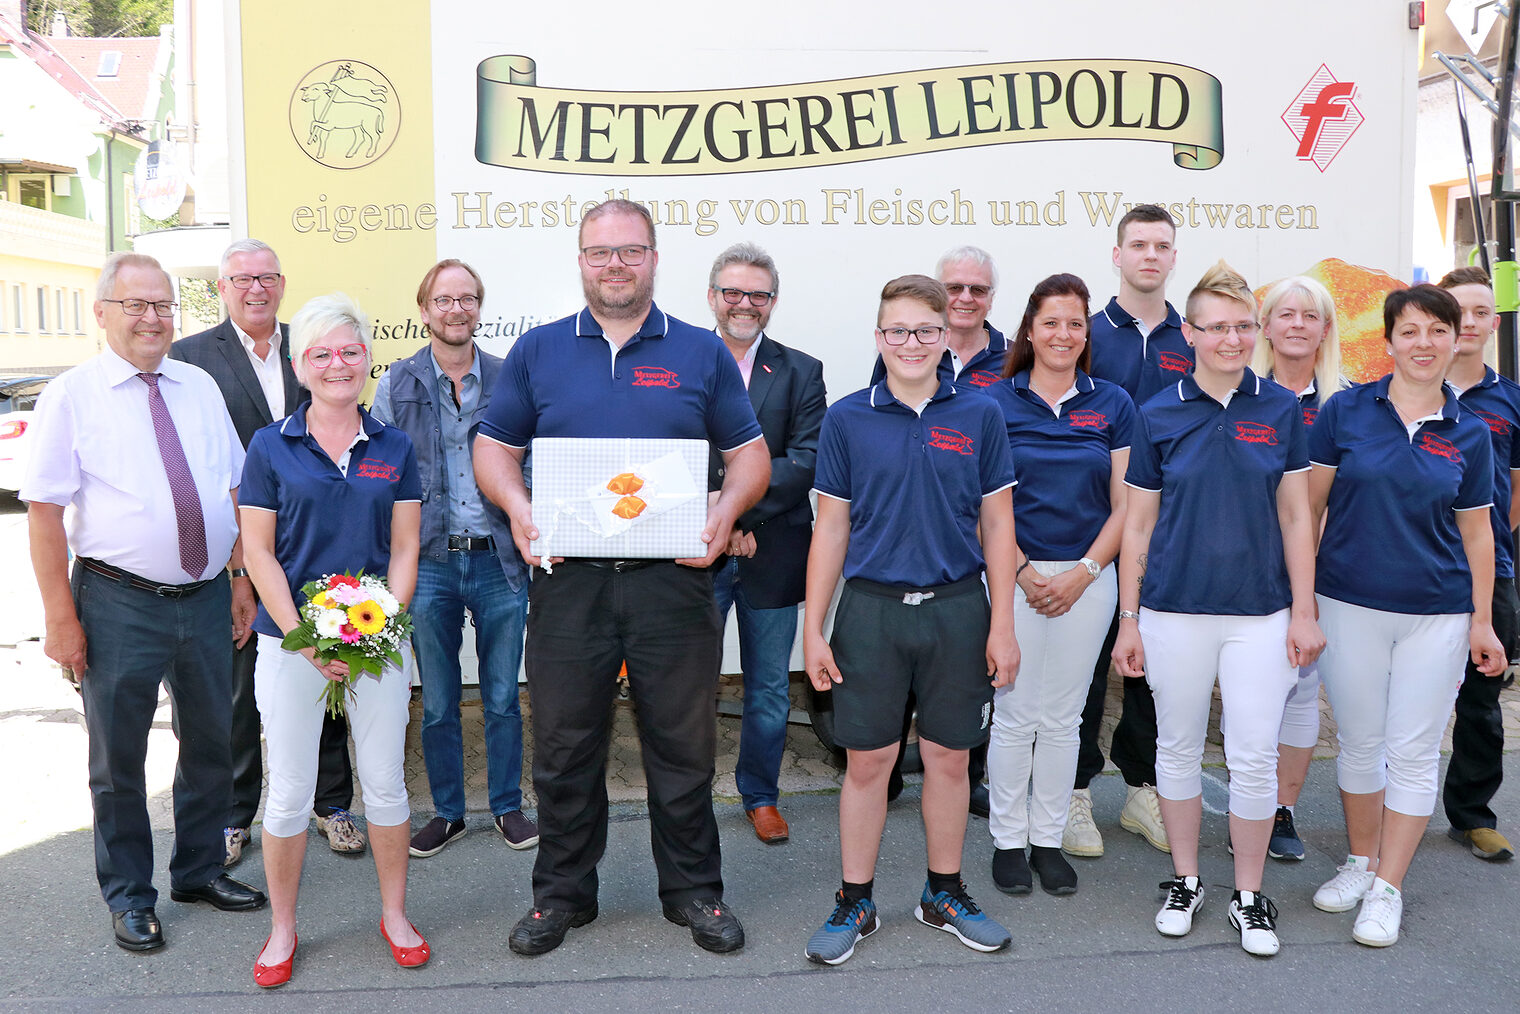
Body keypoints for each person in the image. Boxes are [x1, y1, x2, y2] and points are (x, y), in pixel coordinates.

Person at [474, 199, 770, 957]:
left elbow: (751, 459)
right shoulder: (539, 352)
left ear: (653, 259)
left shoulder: (702, 353)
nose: (615, 265)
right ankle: (562, 896)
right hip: (569, 581)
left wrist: (726, 508)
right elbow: (494, 450)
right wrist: (515, 504)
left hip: (672, 582)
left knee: (684, 746)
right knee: (566, 747)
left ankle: (696, 891)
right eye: (600, 253)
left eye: (630, 252)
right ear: (580, 261)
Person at [22, 251, 268, 953]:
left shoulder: (197, 386)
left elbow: (230, 491)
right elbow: (44, 515)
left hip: (206, 595)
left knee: (213, 744)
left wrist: (240, 578)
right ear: (102, 313)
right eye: (135, 305)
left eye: (162, 305)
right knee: (118, 761)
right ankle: (130, 894)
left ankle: (196, 871)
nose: (152, 318)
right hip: (117, 602)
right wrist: (60, 620)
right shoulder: (72, 396)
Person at [802, 274, 1018, 966]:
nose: (912, 343)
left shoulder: (980, 416)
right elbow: (830, 529)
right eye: (897, 330)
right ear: (878, 338)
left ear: (945, 336)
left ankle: (944, 892)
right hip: (870, 612)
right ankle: (854, 900)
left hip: (958, 608)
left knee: (951, 758)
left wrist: (1003, 624)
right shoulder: (846, 418)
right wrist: (814, 628)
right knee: (868, 761)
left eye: (926, 330)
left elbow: (998, 524)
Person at [1113, 261, 1324, 957]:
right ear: (1191, 333)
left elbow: (1297, 517)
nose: (1231, 339)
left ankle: (1248, 894)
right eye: (1216, 327)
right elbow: (1137, 525)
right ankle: (1185, 879)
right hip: (1174, 610)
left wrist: (1303, 611)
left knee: (1253, 756)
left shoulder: (1280, 409)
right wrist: (1130, 618)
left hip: (1260, 613)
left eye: (1242, 326)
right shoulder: (1158, 412)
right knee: (1174, 749)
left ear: (1253, 332)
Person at [1307, 284, 1507, 948]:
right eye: (1411, 331)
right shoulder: (1344, 412)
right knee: (1361, 745)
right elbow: (1307, 511)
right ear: (1387, 342)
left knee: (1414, 753)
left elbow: (1479, 536)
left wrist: (1481, 622)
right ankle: (1361, 863)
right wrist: (1302, 600)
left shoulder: (1472, 434)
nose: (1425, 343)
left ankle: (1388, 887)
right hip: (1347, 603)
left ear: (1456, 341)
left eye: (1438, 331)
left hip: (1437, 616)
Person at [239, 293, 426, 986]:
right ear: (299, 365)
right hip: (290, 642)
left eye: (350, 351)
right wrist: (303, 639)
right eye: (321, 353)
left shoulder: (395, 446)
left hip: (377, 639)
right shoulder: (269, 445)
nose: (337, 364)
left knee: (384, 785)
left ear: (367, 360)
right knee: (288, 792)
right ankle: (283, 927)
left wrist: (380, 627)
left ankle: (395, 914)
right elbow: (259, 554)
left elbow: (405, 548)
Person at [170, 238, 363, 865]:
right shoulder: (190, 359)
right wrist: (237, 573)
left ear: (281, 284)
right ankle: (236, 814)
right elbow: (195, 466)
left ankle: (332, 804)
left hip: (315, 551)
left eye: (267, 278)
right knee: (239, 691)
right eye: (240, 279)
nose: (255, 289)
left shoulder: (309, 343)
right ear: (221, 288)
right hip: (236, 556)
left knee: (328, 665)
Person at [369, 259, 537, 856]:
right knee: (437, 701)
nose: (456, 309)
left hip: (499, 560)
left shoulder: (509, 377)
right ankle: (446, 812)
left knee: (500, 695)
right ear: (424, 311)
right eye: (444, 300)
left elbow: (530, 459)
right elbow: (380, 473)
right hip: (431, 560)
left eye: (467, 298)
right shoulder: (397, 383)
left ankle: (507, 808)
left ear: (479, 309)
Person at [981, 274, 1133, 897]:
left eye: (1075, 323)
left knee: (1065, 718)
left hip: (1090, 578)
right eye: (1051, 322)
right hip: (1011, 572)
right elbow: (986, 503)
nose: (1063, 334)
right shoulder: (993, 402)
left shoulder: (1114, 403)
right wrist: (1021, 571)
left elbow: (1128, 506)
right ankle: (1008, 842)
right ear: (1029, 330)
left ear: (1086, 332)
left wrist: (1083, 573)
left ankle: (1047, 840)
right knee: (1016, 715)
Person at [869, 246, 1007, 816]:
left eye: (977, 289)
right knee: (876, 738)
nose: (965, 299)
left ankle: (948, 873)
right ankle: (887, 774)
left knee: (953, 739)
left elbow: (996, 509)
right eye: (955, 288)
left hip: (960, 577)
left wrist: (1004, 611)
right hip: (885, 584)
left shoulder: (996, 384)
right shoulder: (877, 388)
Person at [1074, 203, 1189, 858]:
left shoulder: (1193, 339)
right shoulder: (1085, 334)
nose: (1150, 255)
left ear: (1174, 258)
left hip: (1170, 532)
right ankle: (1077, 791)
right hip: (1096, 525)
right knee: (1088, 662)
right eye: (1138, 244)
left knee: (1155, 663)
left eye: (1161, 245)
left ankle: (1142, 786)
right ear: (1116, 256)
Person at [704, 242, 827, 845]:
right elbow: (674, 453)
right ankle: (687, 795)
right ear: (713, 297)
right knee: (687, 681)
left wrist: (740, 515)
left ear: (772, 303)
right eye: (733, 291)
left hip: (772, 548)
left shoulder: (802, 370)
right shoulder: (683, 361)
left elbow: (805, 462)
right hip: (696, 548)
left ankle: (760, 794)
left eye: (757, 293)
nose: (744, 303)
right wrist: (722, 518)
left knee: (770, 686)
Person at [1245, 274, 1349, 862]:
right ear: (1266, 326)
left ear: (1325, 330)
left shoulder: (1348, 401)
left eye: (1310, 316)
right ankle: (1250, 798)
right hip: (1252, 566)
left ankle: (1281, 809)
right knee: (1251, 690)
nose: (1297, 325)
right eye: (1285, 314)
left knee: (1301, 692)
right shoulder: (1241, 392)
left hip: (1322, 569)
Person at [1437, 266, 1519, 864]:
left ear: (1495, 323)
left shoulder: (1511, 401)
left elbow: (1515, 491)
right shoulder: (1400, 391)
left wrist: (1484, 551)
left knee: (1482, 702)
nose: (1469, 321)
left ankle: (1471, 816)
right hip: (1417, 573)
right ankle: (1385, 815)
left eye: (1480, 311)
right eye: (1455, 310)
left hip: (1493, 574)